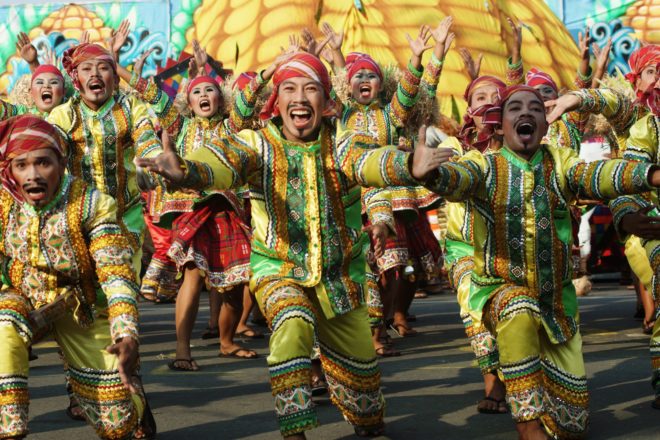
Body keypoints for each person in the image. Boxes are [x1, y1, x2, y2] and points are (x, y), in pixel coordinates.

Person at [137, 51, 447, 438]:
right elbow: (221, 160)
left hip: (339, 278)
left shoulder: (343, 141)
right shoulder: (256, 144)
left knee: (366, 403)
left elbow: (369, 163)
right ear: (277, 101)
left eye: (310, 89)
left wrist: (407, 166)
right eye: (289, 89)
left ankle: (366, 416)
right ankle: (293, 431)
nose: (300, 98)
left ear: (326, 100)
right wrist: (187, 171)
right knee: (292, 323)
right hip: (278, 270)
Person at [419, 85, 660, 439]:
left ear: (545, 125)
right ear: (500, 125)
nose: (526, 113)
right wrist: (429, 174)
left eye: (535, 108)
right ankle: (528, 425)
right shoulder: (484, 165)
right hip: (499, 290)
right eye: (515, 108)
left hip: (555, 304)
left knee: (573, 427)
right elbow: (457, 179)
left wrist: (652, 175)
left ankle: (543, 390)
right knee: (517, 310)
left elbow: (598, 175)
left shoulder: (560, 162)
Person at [0, 114, 155, 439]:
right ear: (10, 170)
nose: (33, 175)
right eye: (22, 165)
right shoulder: (4, 203)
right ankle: (9, 430)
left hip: (81, 309)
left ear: (61, 163)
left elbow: (115, 273)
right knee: (4, 323)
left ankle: (136, 407)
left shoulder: (92, 205)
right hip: (23, 302)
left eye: (43, 163)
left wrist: (127, 335)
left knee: (117, 427)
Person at [47, 43, 163, 273]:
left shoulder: (130, 108)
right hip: (79, 216)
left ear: (115, 77)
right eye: (86, 69)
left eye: (103, 68)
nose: (95, 74)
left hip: (125, 217)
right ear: (76, 79)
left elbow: (147, 140)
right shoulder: (64, 114)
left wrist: (155, 161)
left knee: (122, 283)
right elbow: (51, 149)